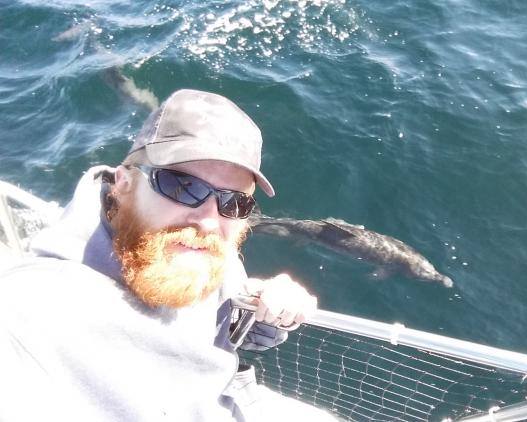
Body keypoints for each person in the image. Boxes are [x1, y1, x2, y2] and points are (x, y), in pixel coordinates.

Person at [0, 89, 319, 421]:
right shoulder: (33, 310)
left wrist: (266, 309)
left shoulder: (198, 250)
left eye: (234, 202)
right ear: (123, 183)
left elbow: (228, 326)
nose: (209, 221)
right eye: (182, 187)